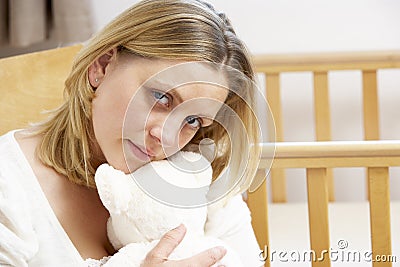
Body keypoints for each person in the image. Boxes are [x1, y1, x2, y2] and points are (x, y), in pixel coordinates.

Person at [0, 0, 263, 266]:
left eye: (193, 120)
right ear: (102, 66)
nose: (167, 137)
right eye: (161, 97)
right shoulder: (10, 184)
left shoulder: (196, 178)